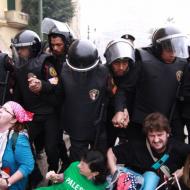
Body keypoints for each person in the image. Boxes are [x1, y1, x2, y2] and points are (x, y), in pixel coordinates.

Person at [112, 25, 189, 141]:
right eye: (168, 49)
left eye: (176, 49)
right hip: (142, 123)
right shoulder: (143, 61)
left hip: (171, 120)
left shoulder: (182, 63)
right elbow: (123, 89)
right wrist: (119, 110)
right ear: (158, 47)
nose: (173, 53)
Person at [11, 29, 60, 185]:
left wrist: (42, 86)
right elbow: (19, 91)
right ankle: (34, 174)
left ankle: (53, 175)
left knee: (52, 150)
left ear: (33, 47)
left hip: (49, 114)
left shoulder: (46, 63)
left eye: (23, 48)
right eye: (18, 48)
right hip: (31, 115)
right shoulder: (19, 67)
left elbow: (56, 84)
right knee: (20, 142)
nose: (20, 51)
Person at [107, 112, 190, 189]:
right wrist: (114, 171)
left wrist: (183, 170)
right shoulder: (137, 146)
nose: (156, 140)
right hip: (138, 184)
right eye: (152, 136)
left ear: (168, 133)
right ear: (147, 135)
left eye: (160, 135)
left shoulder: (177, 147)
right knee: (151, 177)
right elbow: (111, 152)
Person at [104, 38, 135, 146]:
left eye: (125, 62)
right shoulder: (103, 74)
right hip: (108, 118)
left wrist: (124, 110)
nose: (121, 67)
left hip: (131, 119)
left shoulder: (134, 74)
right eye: (117, 63)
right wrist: (121, 109)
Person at [0, 101, 34, 190]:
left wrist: (7, 182)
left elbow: (28, 165)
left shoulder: (18, 139)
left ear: (13, 119)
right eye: (1, 107)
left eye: (5, 109)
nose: (0, 110)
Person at [36, 149, 108, 190]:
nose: (78, 165)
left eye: (83, 165)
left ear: (95, 173)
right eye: (80, 162)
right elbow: (65, 177)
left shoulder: (99, 188)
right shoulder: (74, 165)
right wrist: (56, 177)